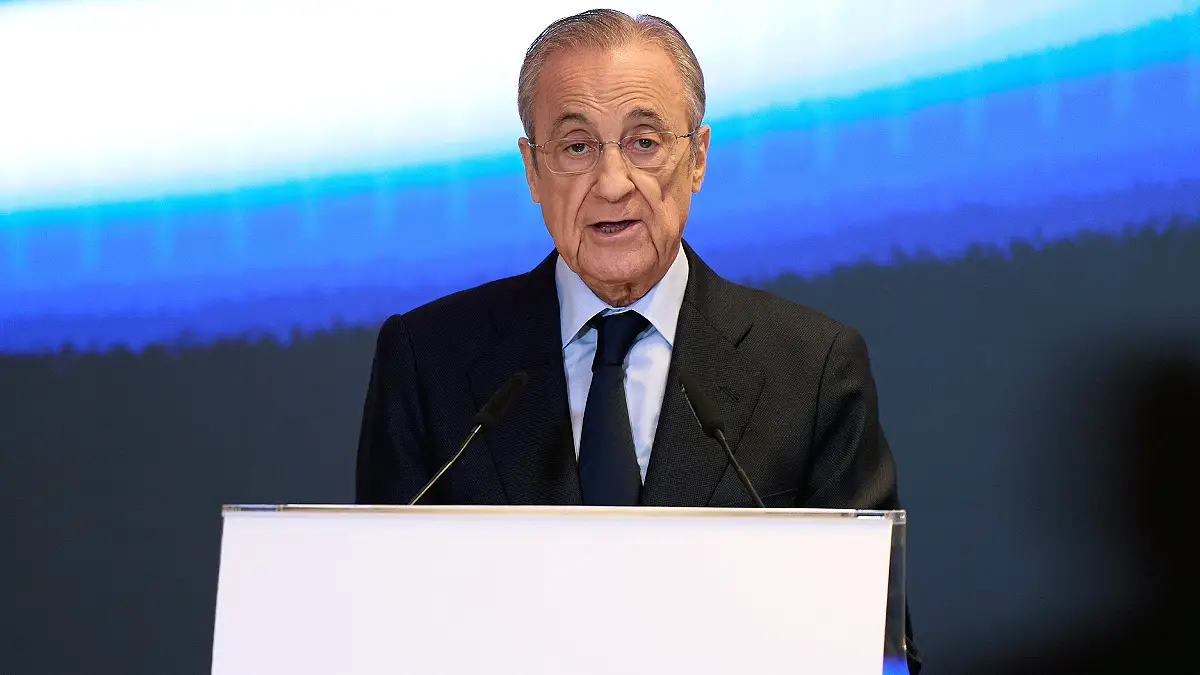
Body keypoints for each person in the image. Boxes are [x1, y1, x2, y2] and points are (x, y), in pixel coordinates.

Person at [356, 9, 920, 672]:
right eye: (575, 147)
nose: (613, 183)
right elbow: (380, 629)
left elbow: (874, 648)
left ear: (699, 157)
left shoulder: (813, 370)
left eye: (645, 142)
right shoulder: (428, 361)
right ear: (532, 170)